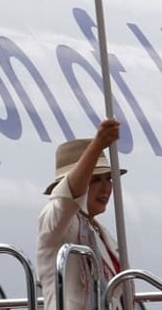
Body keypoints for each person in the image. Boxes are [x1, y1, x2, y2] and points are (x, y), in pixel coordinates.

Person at [37, 119, 126, 310]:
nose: (106, 188)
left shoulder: (102, 234)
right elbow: (69, 195)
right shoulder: (55, 220)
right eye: (95, 180)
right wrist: (97, 145)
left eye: (108, 178)